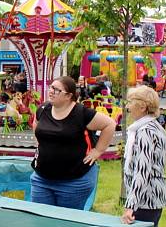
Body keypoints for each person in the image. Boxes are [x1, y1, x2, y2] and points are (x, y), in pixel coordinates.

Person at [30, 76, 116, 209]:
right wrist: (39, 142)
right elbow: (36, 122)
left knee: (66, 224)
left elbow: (109, 124)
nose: (51, 91)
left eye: (56, 90)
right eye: (51, 87)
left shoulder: (82, 114)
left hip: (74, 182)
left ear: (68, 96)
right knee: (41, 222)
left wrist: (98, 150)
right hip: (42, 179)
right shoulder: (43, 109)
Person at [121, 85, 166, 227]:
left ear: (142, 106)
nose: (128, 106)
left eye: (131, 102)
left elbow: (143, 170)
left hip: (146, 197)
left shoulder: (145, 132)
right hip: (152, 196)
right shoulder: (152, 127)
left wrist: (131, 205)